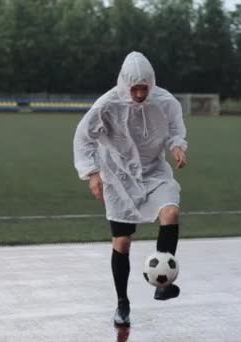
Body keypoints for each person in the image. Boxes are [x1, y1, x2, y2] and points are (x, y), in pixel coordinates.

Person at [73, 51, 188, 328]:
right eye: (134, 88)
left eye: (143, 88)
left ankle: (162, 282)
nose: (138, 94)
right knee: (122, 243)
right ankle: (122, 303)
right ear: (125, 84)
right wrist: (92, 173)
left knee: (170, 213)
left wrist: (176, 146)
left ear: (151, 83)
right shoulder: (108, 104)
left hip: (154, 171)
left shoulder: (165, 102)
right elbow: (83, 136)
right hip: (117, 177)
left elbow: (175, 128)